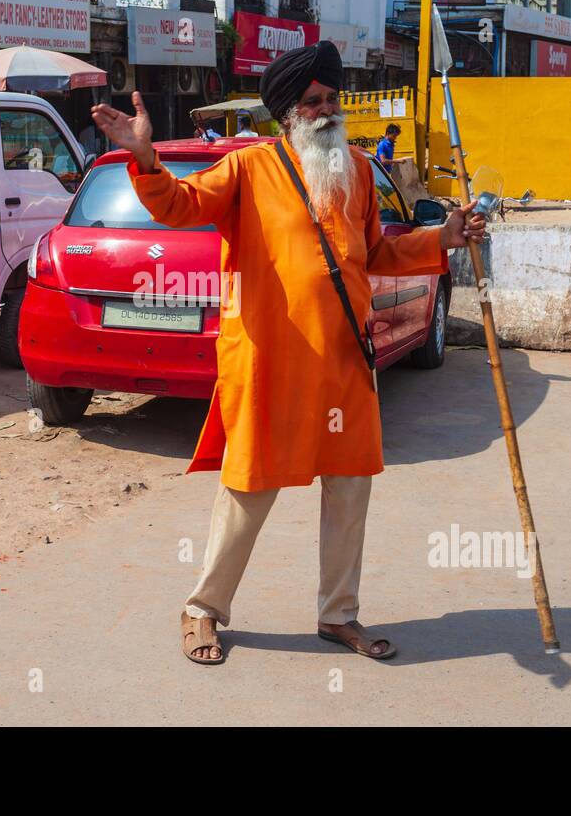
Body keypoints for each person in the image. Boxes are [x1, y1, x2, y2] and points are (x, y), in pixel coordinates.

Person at [91, 41, 485, 666]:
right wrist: (144, 158)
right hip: (272, 359)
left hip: (344, 363)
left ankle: (339, 616)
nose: (326, 109)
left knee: (351, 488)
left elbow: (375, 256)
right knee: (249, 489)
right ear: (287, 115)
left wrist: (443, 236)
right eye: (312, 102)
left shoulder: (356, 170)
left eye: (331, 98)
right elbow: (180, 205)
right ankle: (202, 609)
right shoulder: (249, 169)